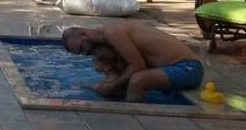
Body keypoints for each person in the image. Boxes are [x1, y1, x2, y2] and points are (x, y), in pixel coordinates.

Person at [62, 21, 203, 101]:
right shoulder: (106, 40)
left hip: (188, 68)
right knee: (119, 74)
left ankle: (130, 118)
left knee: (138, 80)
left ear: (84, 35)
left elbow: (138, 66)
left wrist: (113, 85)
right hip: (168, 69)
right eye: (80, 53)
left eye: (82, 48)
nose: (85, 53)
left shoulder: (112, 32)